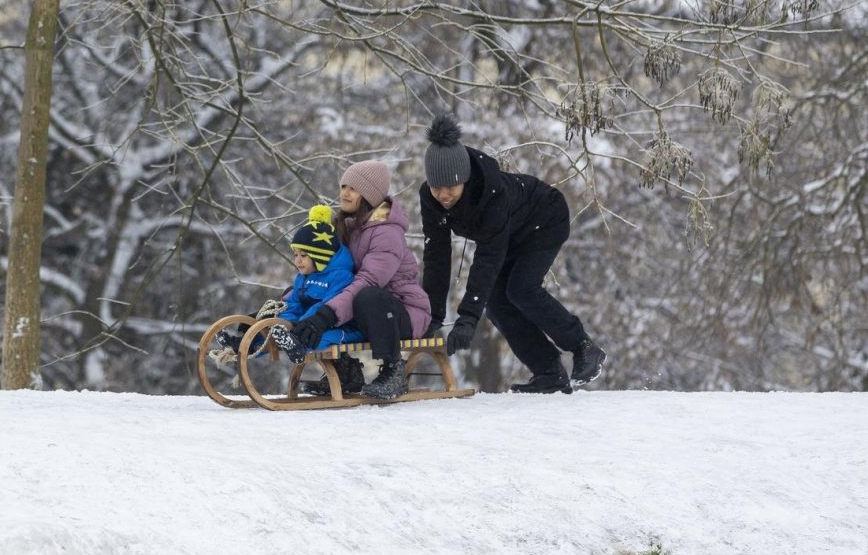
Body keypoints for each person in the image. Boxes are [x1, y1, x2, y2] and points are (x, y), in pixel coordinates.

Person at [419, 114, 607, 394]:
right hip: (509, 236)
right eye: (437, 188)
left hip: (545, 218)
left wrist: (468, 317)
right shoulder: (430, 199)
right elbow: (437, 255)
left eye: (451, 188)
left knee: (521, 289)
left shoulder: (491, 195)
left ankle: (584, 347)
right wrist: (431, 316)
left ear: (466, 180)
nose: (444, 195)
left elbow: (487, 258)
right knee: (495, 304)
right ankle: (549, 373)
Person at [291, 160, 432, 399]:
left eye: (353, 188)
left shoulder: (386, 232)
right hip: (363, 310)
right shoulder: (346, 227)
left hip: (402, 313)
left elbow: (368, 282)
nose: (344, 192)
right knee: (318, 289)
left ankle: (393, 371)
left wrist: (324, 316)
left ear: (369, 195)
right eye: (343, 185)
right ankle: (346, 372)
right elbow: (328, 276)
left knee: (367, 297)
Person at [214, 205, 362, 358]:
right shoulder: (304, 277)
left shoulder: (341, 277)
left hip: (342, 328)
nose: (297, 261)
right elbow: (293, 304)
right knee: (274, 331)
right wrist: (283, 323)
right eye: (295, 254)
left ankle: (298, 348)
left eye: (303, 255)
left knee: (319, 338)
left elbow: (326, 306)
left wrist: (298, 326)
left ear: (320, 256)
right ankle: (245, 344)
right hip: (306, 325)